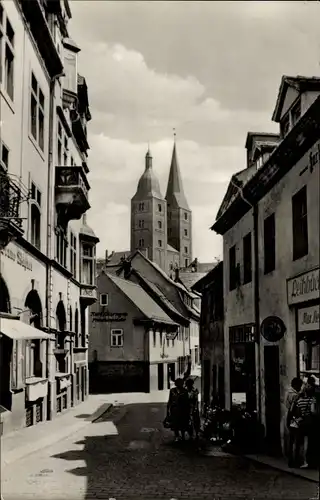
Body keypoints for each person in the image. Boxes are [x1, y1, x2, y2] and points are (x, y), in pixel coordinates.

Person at [295, 383, 317, 469]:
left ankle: (301, 461)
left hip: (301, 423)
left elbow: (298, 413)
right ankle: (306, 461)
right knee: (307, 442)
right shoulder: (312, 400)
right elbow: (313, 411)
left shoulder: (299, 401)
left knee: (301, 443)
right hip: (309, 423)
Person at [286, 377, 303, 467]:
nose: (300, 387)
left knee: (291, 439)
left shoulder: (288, 392)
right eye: (300, 386)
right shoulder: (295, 395)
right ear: (296, 385)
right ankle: (295, 460)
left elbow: (287, 405)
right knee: (296, 440)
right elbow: (295, 408)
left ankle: (290, 460)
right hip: (295, 418)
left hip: (289, 417)